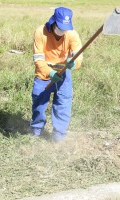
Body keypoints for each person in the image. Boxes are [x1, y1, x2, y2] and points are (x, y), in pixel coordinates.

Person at [30, 7, 83, 142]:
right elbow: (38, 59)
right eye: (60, 27)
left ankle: (58, 136)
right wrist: (49, 72)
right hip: (44, 73)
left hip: (63, 73)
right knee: (39, 102)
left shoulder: (72, 34)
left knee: (63, 103)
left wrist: (73, 63)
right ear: (53, 21)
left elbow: (79, 55)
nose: (62, 31)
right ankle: (36, 131)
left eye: (65, 28)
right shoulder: (40, 32)